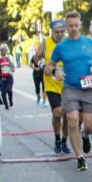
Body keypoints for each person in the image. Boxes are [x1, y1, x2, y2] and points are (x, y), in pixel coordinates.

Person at [45, 12, 92, 171]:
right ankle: (80, 157)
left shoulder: (88, 42)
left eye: (76, 25)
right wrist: (55, 69)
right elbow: (48, 67)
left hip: (89, 86)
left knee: (91, 126)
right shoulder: (61, 47)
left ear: (80, 25)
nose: (74, 29)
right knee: (72, 119)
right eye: (70, 26)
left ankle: (85, 136)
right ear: (66, 27)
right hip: (70, 87)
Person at [40, 22, 70, 154]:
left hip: (68, 84)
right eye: (57, 32)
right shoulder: (46, 43)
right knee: (57, 112)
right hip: (51, 84)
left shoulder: (69, 43)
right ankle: (57, 139)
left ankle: (64, 141)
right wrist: (43, 66)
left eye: (62, 32)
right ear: (51, 31)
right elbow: (35, 59)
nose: (59, 35)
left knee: (68, 115)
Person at [0, 43, 15, 109]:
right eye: (1, 50)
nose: (3, 51)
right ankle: (6, 105)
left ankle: (10, 100)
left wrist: (9, 60)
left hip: (9, 77)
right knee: (3, 92)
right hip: (1, 78)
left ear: (7, 50)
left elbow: (13, 67)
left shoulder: (10, 57)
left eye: (4, 50)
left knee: (9, 90)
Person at [29, 41, 47, 106]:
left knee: (44, 88)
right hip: (36, 74)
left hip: (43, 73)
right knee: (37, 87)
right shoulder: (34, 57)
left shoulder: (45, 56)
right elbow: (30, 64)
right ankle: (38, 97)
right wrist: (35, 68)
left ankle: (44, 101)